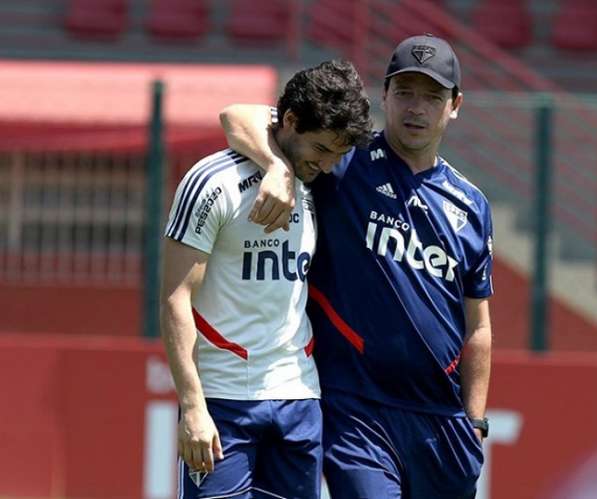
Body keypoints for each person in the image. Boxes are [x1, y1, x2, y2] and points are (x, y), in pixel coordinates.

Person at [220, 34, 493, 498]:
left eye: (432, 97)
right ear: (383, 94)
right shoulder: (344, 160)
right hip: (358, 409)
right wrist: (277, 167)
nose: (416, 108)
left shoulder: (471, 206)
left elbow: (479, 326)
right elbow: (236, 116)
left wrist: (475, 421)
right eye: (405, 92)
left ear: (455, 105)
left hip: (442, 422)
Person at [160, 59, 372, 499]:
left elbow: (242, 116)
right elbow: (175, 298)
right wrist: (192, 406)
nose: (331, 165)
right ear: (290, 121)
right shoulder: (212, 181)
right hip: (222, 400)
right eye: (322, 149)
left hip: (299, 398)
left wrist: (286, 167)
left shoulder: (316, 181)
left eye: (338, 154)